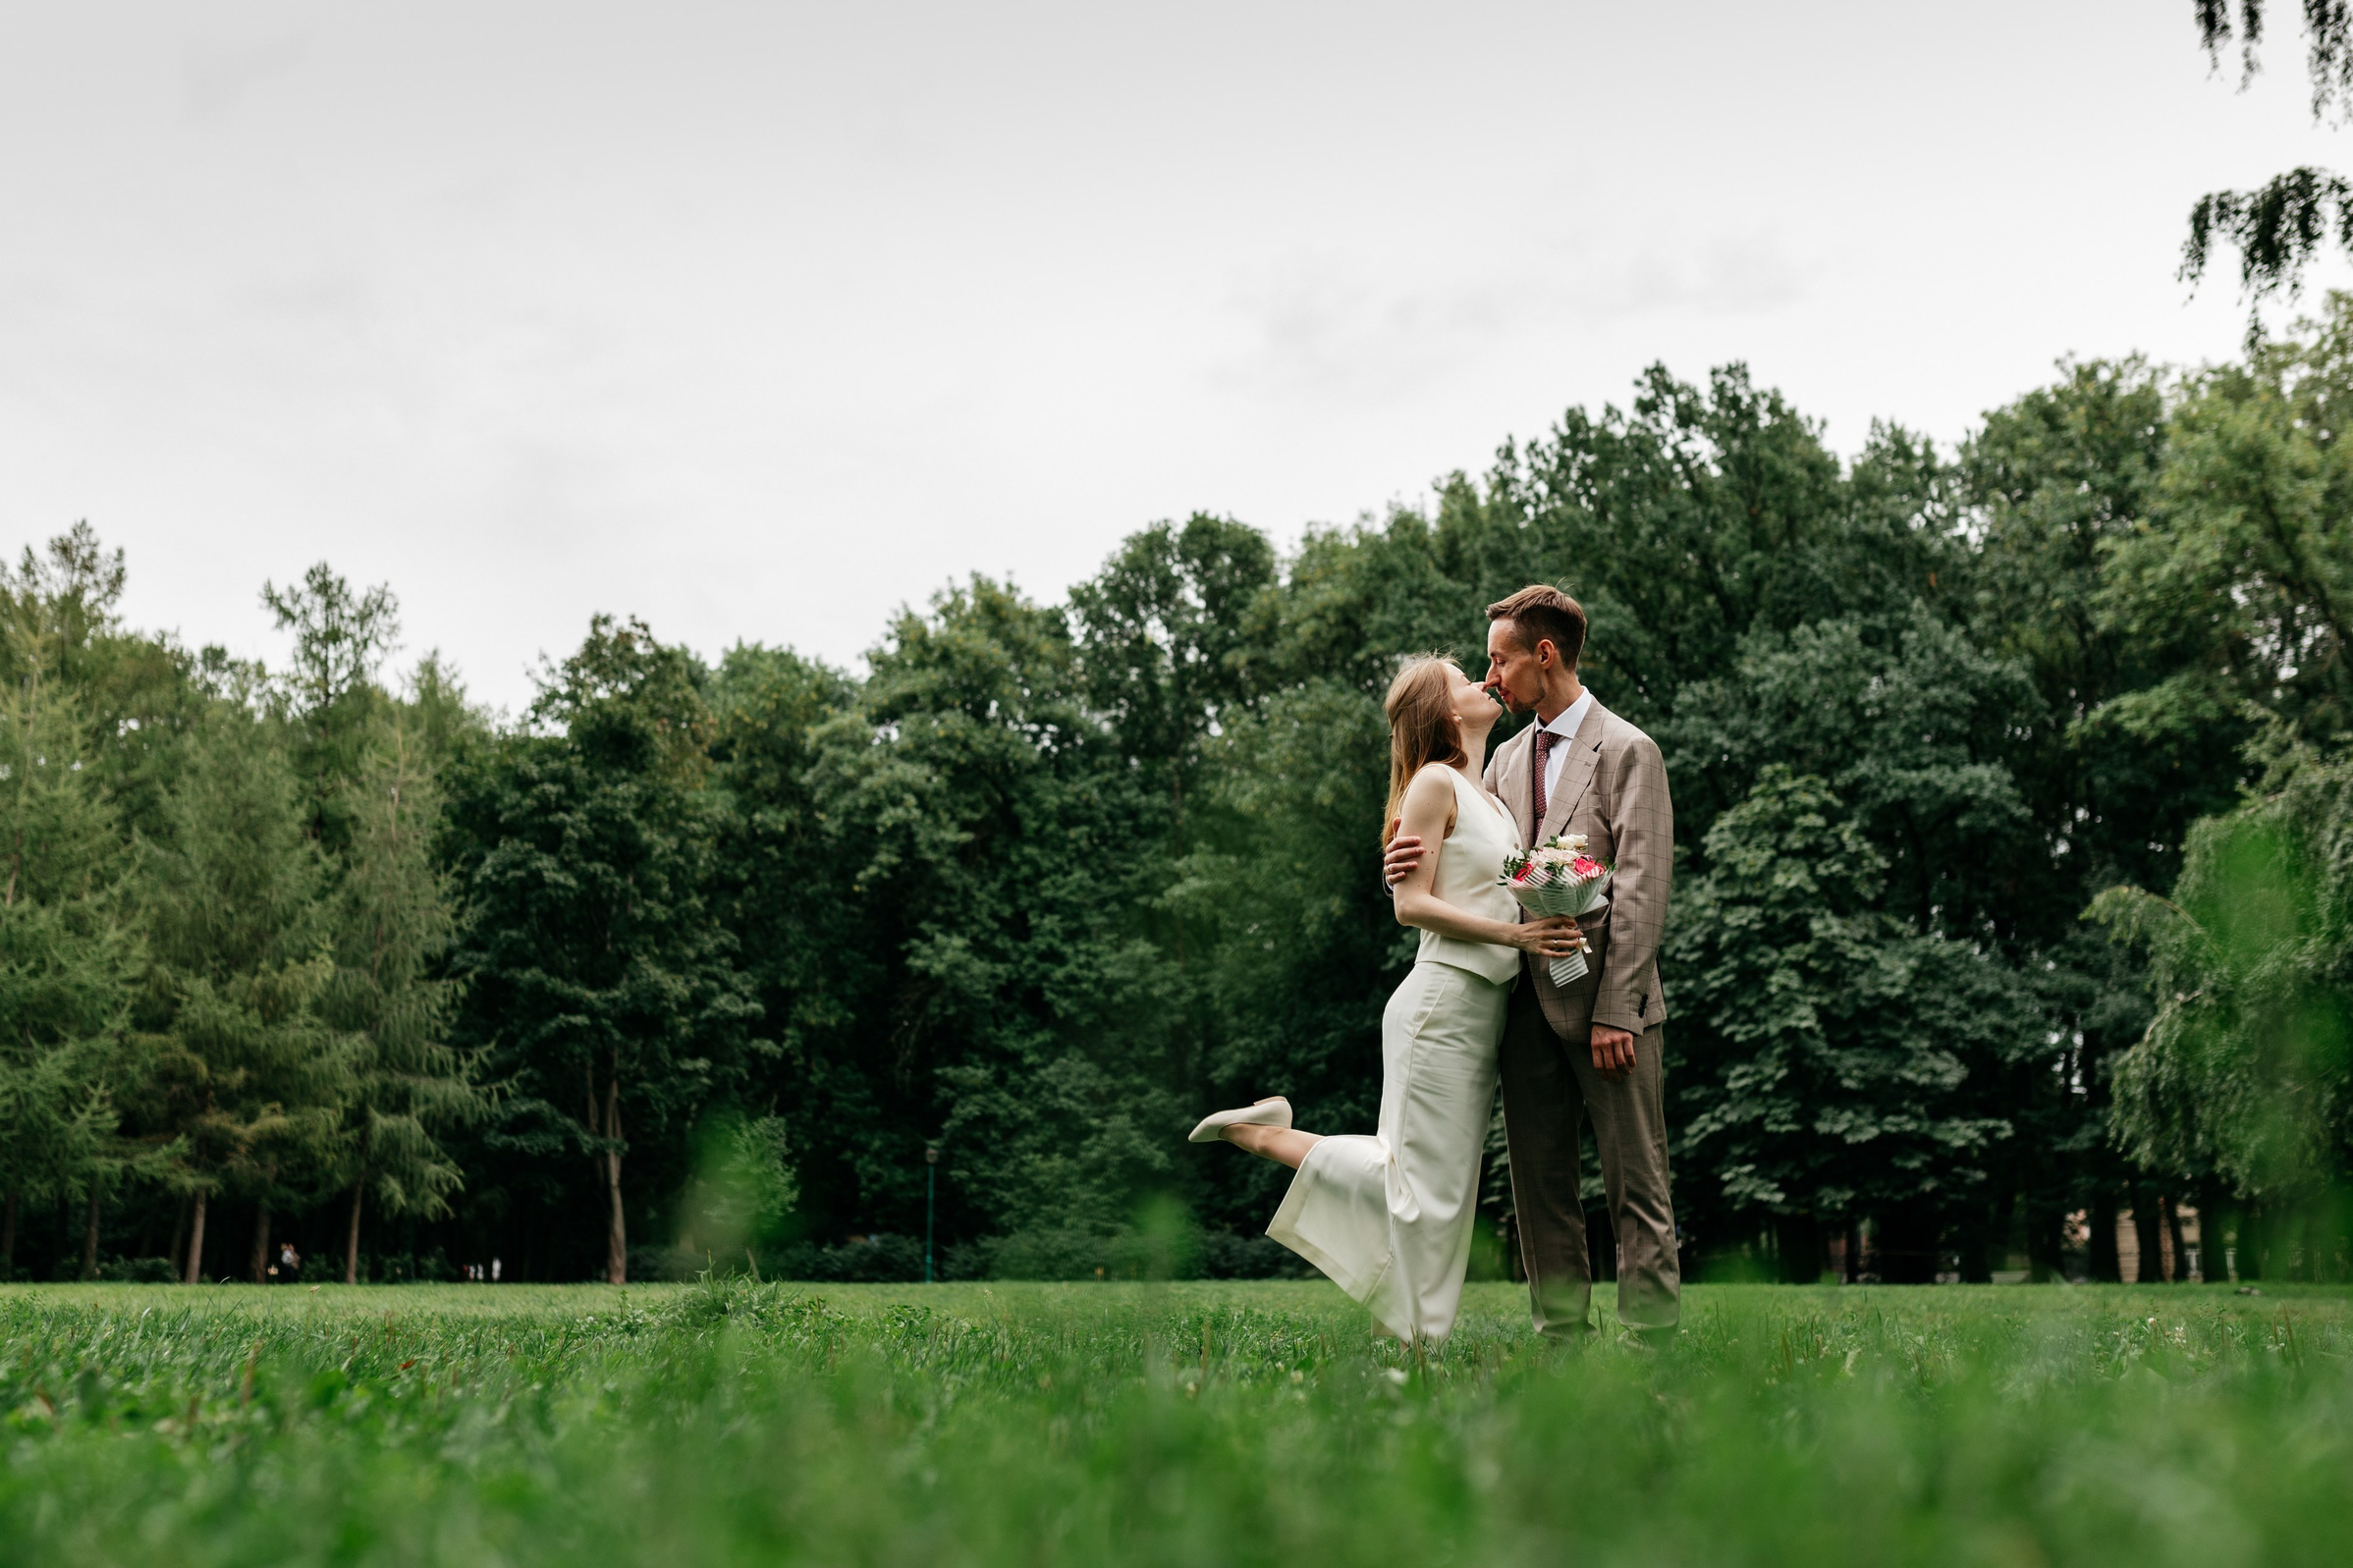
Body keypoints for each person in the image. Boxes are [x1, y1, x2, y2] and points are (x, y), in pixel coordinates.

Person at [1185, 655, 1584, 1345]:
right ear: (1446, 712)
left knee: (1443, 1190)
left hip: (1480, 1013)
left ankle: (1404, 1333)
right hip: (1441, 1004)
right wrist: (1517, 936)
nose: (1484, 680)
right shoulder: (1434, 782)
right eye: (1465, 679)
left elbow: (1484, 884)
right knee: (1414, 1185)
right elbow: (1410, 905)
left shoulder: (1490, 797)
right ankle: (1266, 1141)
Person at [1385, 585, 1681, 1342]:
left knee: (1637, 1182)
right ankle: (1561, 1342)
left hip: (1610, 1009)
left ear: (1543, 654)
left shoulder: (1630, 749)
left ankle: (1652, 1346)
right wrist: (1401, 868)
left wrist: (1616, 1010)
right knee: (1540, 1189)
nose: (1492, 676)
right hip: (1523, 1008)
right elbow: (1471, 861)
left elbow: (1643, 888)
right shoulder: (1503, 761)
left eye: (1500, 659)